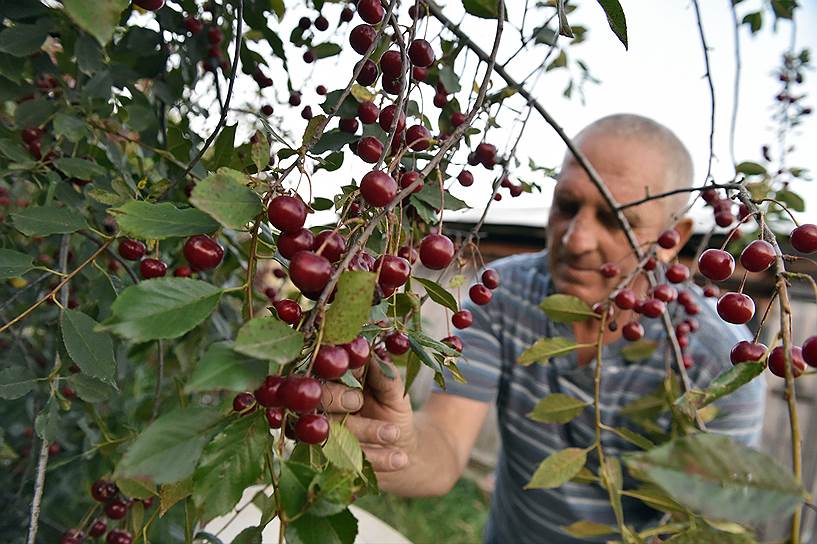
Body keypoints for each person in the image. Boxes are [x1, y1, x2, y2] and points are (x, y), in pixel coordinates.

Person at [320, 114, 767, 543]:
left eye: (617, 220)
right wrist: (392, 440)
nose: (576, 239)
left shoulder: (716, 364)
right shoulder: (505, 292)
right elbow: (443, 447)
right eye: (567, 206)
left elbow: (699, 524)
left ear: (676, 237)